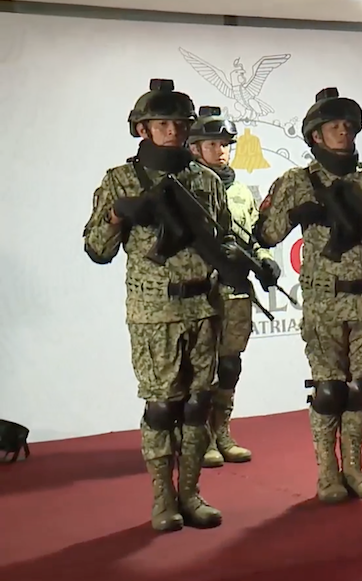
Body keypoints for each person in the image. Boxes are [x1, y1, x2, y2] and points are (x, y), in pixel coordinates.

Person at [253, 87, 362, 504]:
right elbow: (265, 234)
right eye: (333, 127)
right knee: (329, 391)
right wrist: (296, 213)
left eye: (348, 125)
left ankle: (355, 469)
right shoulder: (297, 181)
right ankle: (328, 474)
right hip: (324, 301)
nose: (343, 132)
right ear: (315, 135)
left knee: (358, 389)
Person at [82, 79, 228, 531]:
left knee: (198, 406)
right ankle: (163, 499)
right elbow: (97, 248)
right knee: (162, 408)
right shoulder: (120, 180)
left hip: (203, 307)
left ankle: (191, 493)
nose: (173, 131)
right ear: (142, 129)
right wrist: (118, 215)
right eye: (163, 123)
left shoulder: (205, 180)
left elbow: (222, 238)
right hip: (154, 312)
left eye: (180, 124)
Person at [186, 106, 282, 468]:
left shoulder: (240, 191)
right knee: (202, 369)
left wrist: (264, 259)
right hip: (202, 292)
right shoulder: (187, 189)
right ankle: (202, 438)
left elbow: (253, 236)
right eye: (213, 144)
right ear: (195, 148)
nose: (221, 151)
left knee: (229, 365)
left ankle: (222, 430)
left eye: (225, 144)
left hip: (236, 291)